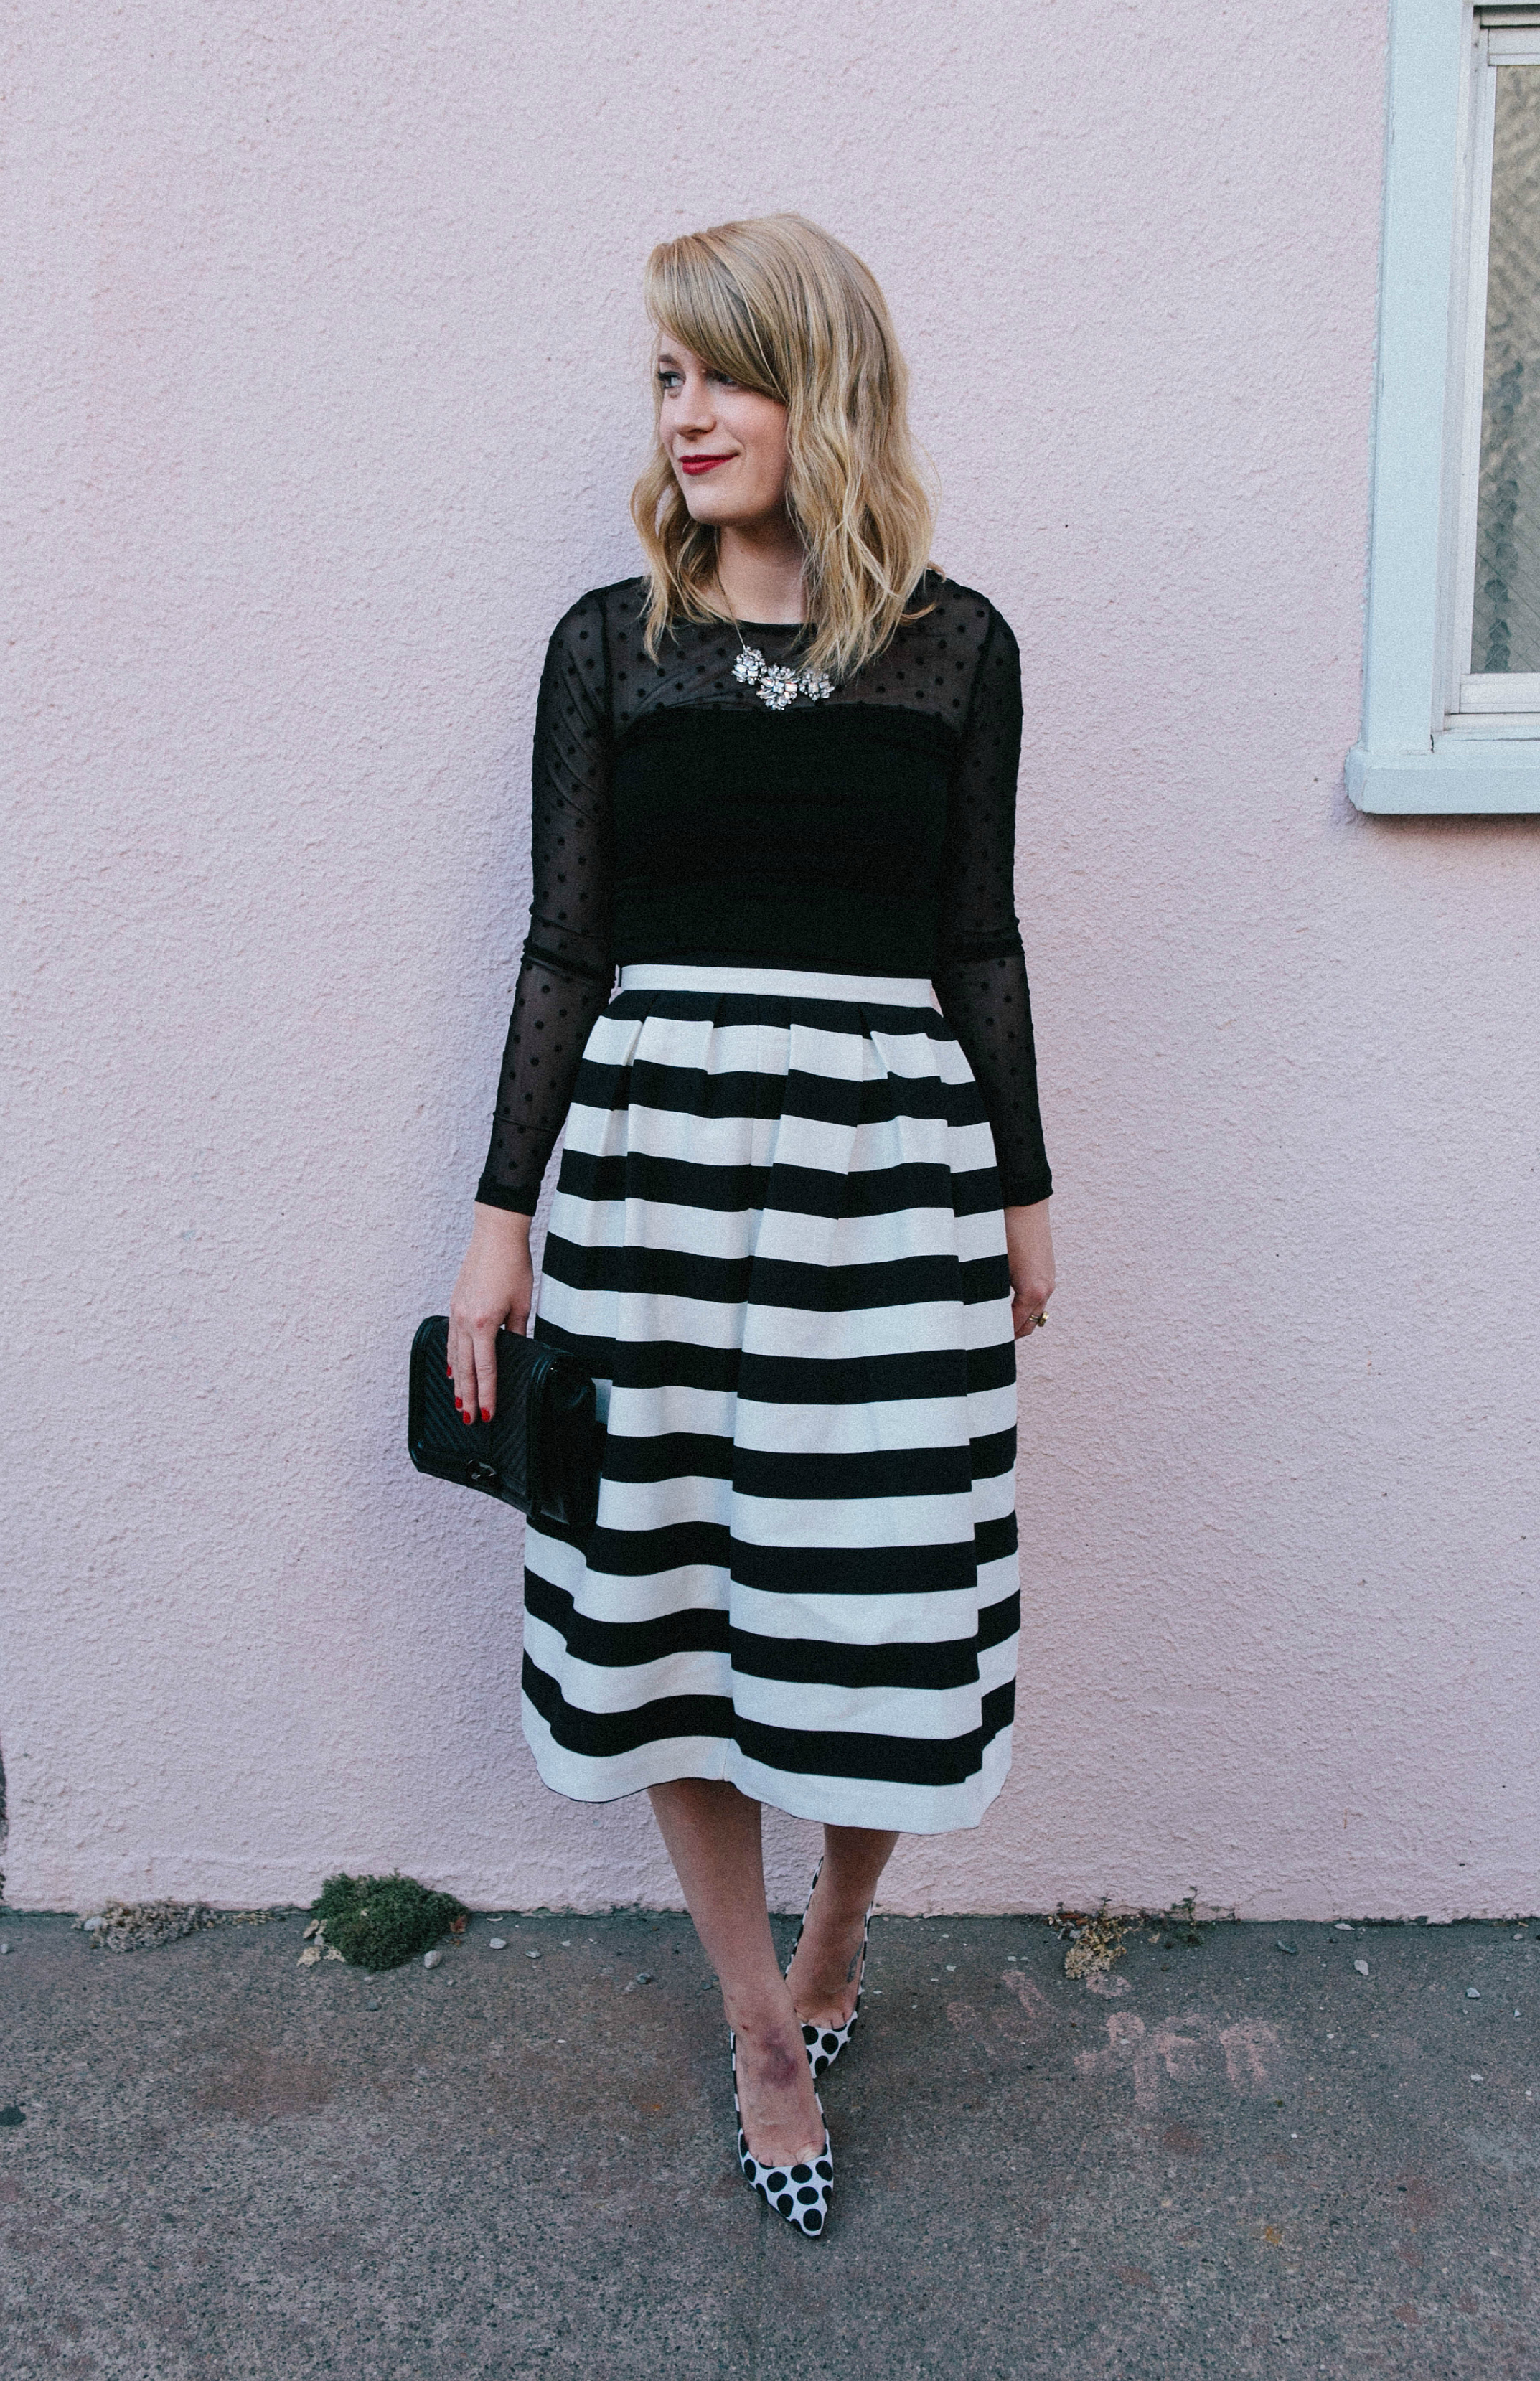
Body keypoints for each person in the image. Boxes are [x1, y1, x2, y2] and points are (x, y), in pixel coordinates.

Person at [448, 213, 1054, 2237]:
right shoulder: (604, 648)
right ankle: (759, 2025)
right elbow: (565, 945)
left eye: (722, 372)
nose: (684, 414)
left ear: (827, 386)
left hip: (889, 1197)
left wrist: (1025, 1191)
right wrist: (496, 1220)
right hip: (648, 1188)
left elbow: (974, 934)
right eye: (663, 379)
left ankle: (838, 1936)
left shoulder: (955, 647)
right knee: (671, 1620)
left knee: (881, 1608)